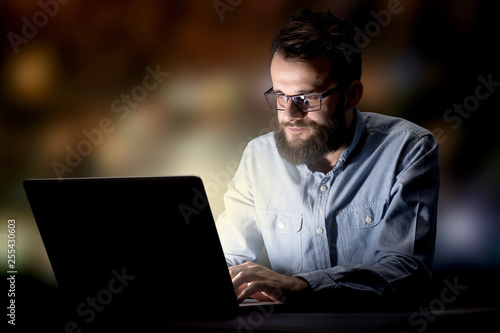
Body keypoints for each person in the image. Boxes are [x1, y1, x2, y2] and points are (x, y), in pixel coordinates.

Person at [215, 8, 440, 310]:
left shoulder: (408, 149)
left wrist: (301, 286)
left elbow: (406, 275)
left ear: (352, 95)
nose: (290, 115)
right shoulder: (259, 157)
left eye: (308, 98)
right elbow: (227, 258)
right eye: (281, 96)